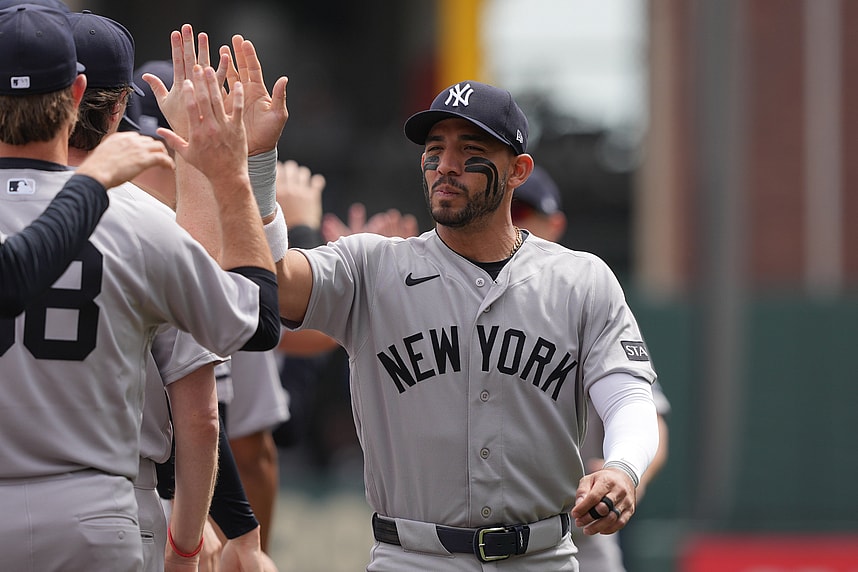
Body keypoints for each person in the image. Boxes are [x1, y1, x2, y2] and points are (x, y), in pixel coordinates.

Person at [264, 78, 661, 570]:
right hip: (412, 557)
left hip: (541, 558)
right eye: (435, 149)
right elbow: (274, 283)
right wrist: (258, 166)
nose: (446, 165)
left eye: (470, 150)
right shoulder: (372, 265)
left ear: (518, 171)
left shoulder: (581, 279)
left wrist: (624, 467)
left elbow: (629, 396)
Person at [0, 6, 280, 571]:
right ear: (75, 93)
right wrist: (234, 172)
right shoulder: (140, 219)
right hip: (95, 510)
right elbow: (256, 321)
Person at [511, 165, 671, 571]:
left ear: (555, 225)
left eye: (523, 212)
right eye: (506, 209)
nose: (512, 222)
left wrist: (626, 474)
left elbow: (648, 417)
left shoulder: (587, 298)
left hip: (580, 537)